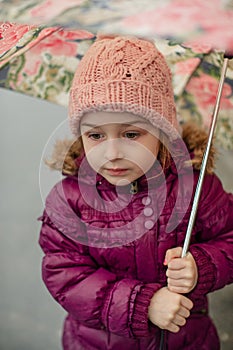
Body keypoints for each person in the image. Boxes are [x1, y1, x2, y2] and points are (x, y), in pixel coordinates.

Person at [38, 34, 233, 350]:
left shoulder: (196, 189)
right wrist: (144, 303)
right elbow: (66, 274)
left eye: (131, 133)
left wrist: (203, 265)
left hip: (187, 341)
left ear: (162, 131)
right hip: (98, 343)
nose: (113, 152)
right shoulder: (70, 200)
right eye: (96, 135)